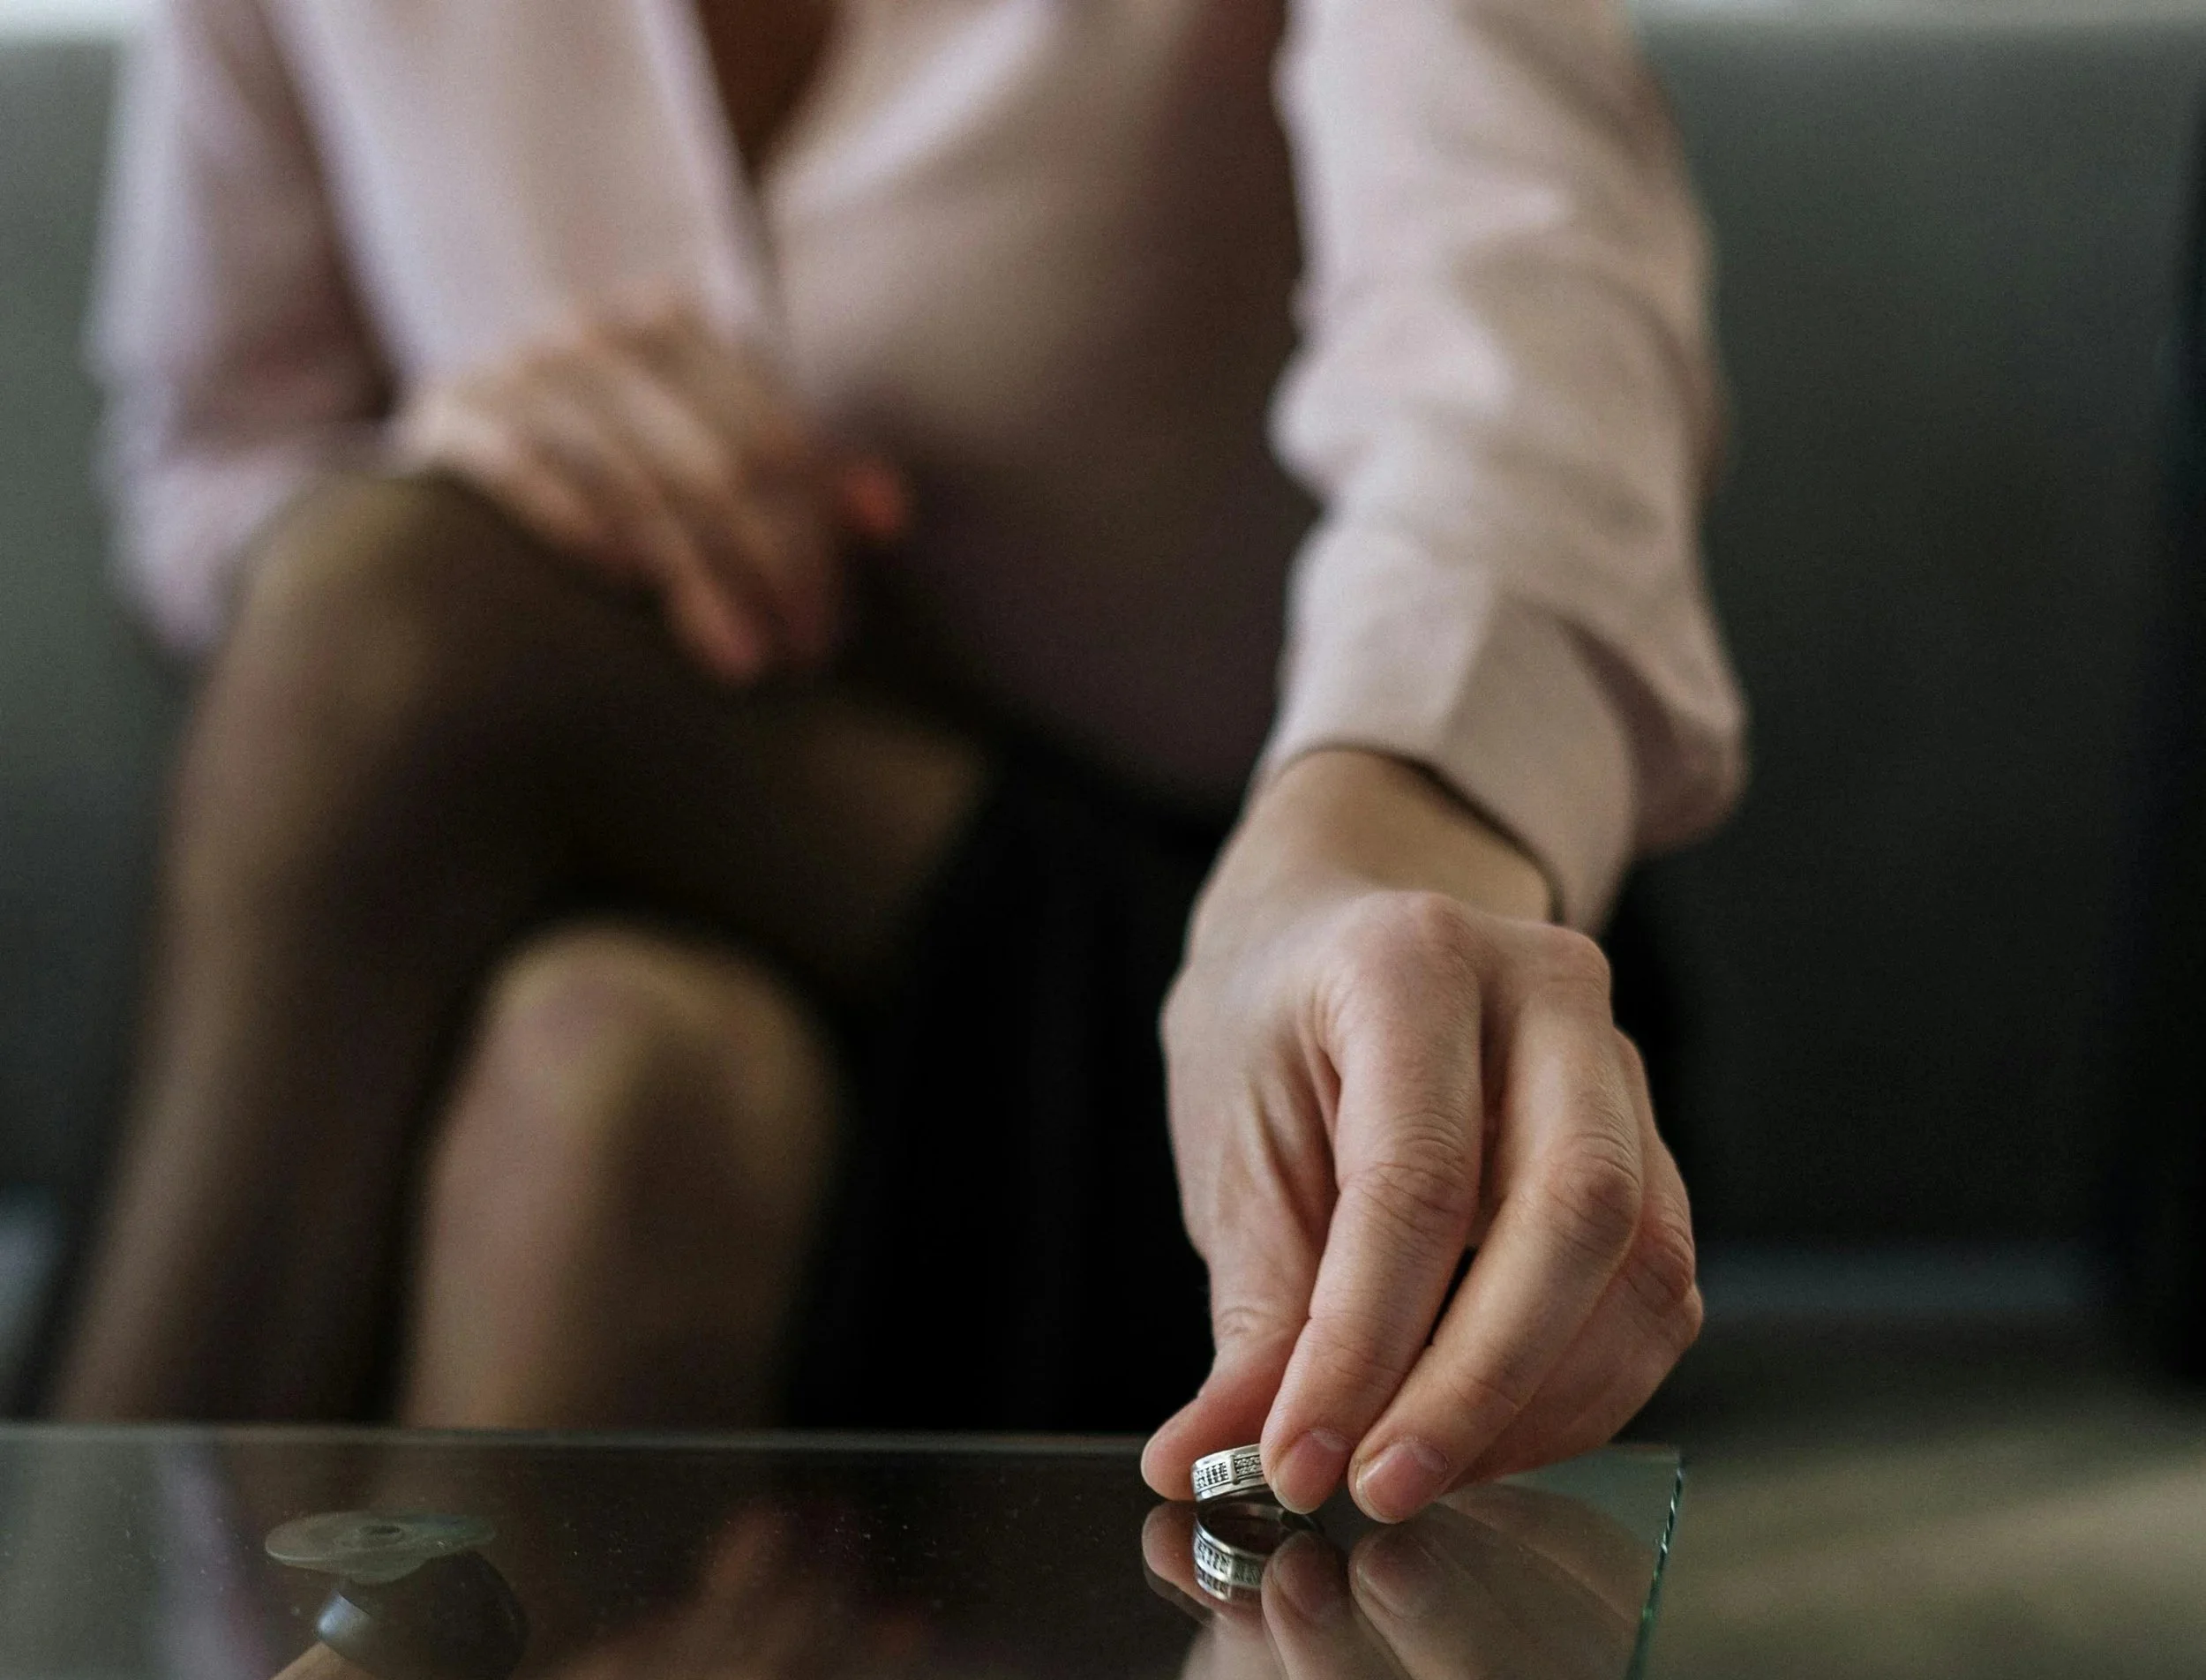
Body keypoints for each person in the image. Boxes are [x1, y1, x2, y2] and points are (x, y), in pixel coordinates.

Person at [53, 0, 1744, 1515]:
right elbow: (206, 460)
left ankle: (67, 1658)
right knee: (608, 1076)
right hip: (616, 926)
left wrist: (1384, 828)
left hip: (1208, 1012)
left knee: (391, 616)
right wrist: (488, 466)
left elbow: (1526, 348)